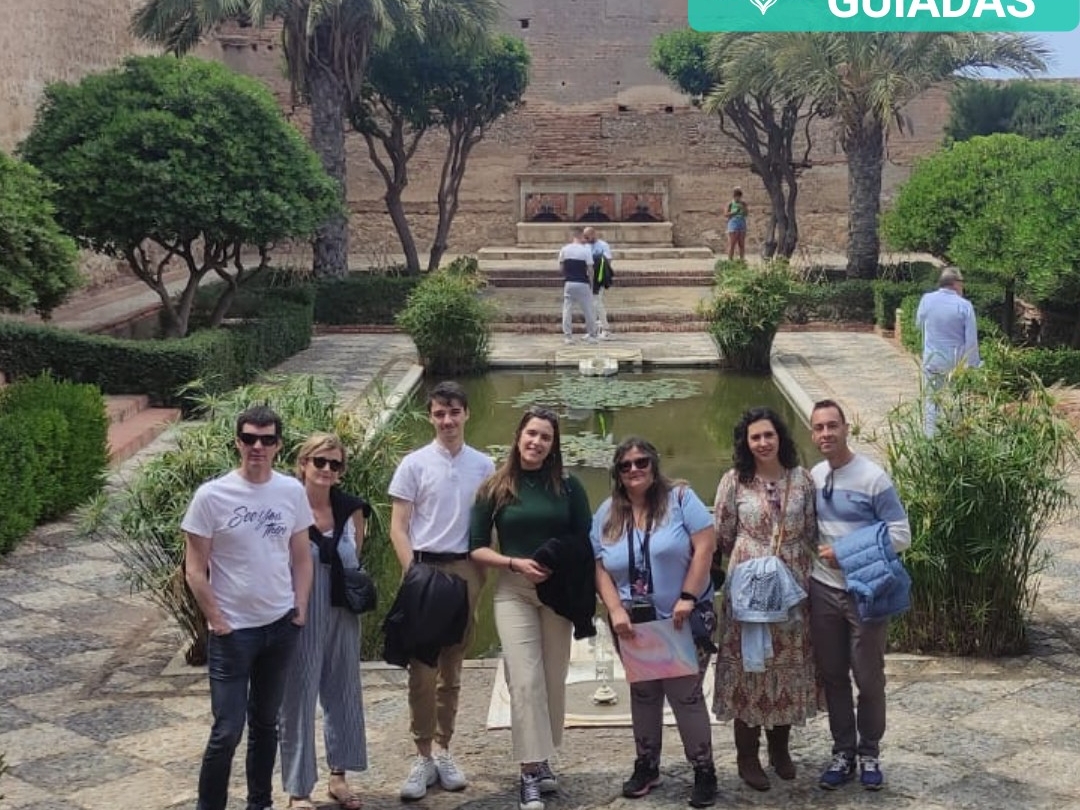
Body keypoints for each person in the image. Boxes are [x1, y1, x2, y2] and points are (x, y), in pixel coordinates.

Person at [181, 405, 314, 810]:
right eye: (250, 438)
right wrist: (217, 620)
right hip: (233, 633)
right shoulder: (211, 496)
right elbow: (194, 570)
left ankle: (261, 803)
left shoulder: (291, 491)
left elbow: (301, 557)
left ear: (278, 445)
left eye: (267, 439)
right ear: (238, 442)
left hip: (280, 625)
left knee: (266, 724)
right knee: (227, 730)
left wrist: (300, 608)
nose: (258, 446)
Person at [469, 406, 593, 810]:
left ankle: (542, 757)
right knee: (524, 680)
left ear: (553, 445)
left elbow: (585, 539)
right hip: (514, 589)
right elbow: (476, 547)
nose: (536, 442)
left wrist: (559, 563)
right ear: (519, 436)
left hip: (558, 592)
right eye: (532, 434)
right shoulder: (495, 487)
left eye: (545, 437)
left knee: (554, 678)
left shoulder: (569, 486)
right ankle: (528, 773)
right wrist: (513, 563)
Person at [592, 438, 718, 808]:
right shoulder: (607, 512)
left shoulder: (680, 499)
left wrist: (688, 596)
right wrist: (614, 608)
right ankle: (647, 764)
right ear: (617, 473)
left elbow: (706, 546)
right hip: (633, 624)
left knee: (686, 695)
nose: (634, 469)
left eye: (641, 462)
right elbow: (598, 565)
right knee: (643, 694)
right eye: (625, 465)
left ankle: (704, 770)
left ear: (654, 464)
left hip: (681, 617)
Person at [388, 381, 496, 801]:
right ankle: (422, 754)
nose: (447, 421)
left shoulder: (484, 466)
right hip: (425, 568)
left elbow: (489, 523)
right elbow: (399, 526)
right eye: (439, 414)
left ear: (466, 413)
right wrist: (412, 572)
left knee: (452, 667)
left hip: (465, 568)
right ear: (430, 417)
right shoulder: (414, 464)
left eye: (453, 412)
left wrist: (484, 572)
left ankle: (444, 748)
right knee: (422, 669)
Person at [712, 407, 819, 792]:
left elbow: (811, 530)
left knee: (786, 664)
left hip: (791, 585)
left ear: (780, 437)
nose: (762, 443)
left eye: (768, 435)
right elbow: (723, 534)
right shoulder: (734, 481)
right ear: (746, 443)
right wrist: (754, 559)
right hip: (749, 587)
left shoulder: (802, 479)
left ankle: (780, 748)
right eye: (755, 437)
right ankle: (747, 755)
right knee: (750, 665)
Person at [808, 399, 911, 792]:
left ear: (846, 428)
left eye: (832, 425)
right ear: (812, 433)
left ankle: (870, 752)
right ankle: (843, 752)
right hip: (823, 591)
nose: (826, 434)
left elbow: (901, 534)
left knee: (868, 679)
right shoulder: (816, 476)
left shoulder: (873, 478)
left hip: (865, 593)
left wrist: (847, 553)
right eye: (819, 427)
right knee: (833, 676)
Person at [279, 433, 370, 810]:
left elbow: (354, 555)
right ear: (303, 464)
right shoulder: (286, 506)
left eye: (335, 464)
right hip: (300, 609)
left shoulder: (351, 509)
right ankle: (298, 790)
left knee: (344, 690)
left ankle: (339, 776)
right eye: (319, 461)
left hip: (341, 609)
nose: (327, 469)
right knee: (297, 696)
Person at [915, 266, 981, 435]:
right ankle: (955, 435)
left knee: (931, 400)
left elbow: (919, 324)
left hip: (933, 359)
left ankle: (930, 437)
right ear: (955, 283)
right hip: (956, 362)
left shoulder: (927, 300)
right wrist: (973, 364)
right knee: (956, 400)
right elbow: (971, 339)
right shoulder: (964, 305)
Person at [559, 228, 598, 345]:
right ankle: (591, 335)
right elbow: (590, 269)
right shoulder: (586, 250)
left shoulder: (564, 249)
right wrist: (591, 283)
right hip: (582, 282)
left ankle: (568, 336)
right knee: (588, 310)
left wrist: (567, 275)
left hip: (569, 282)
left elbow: (561, 267)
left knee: (567, 310)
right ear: (581, 237)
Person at [583, 226, 614, 339]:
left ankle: (605, 329)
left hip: (598, 278)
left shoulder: (603, 245)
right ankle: (593, 330)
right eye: (585, 237)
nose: (586, 239)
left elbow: (608, 260)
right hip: (588, 278)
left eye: (587, 237)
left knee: (597, 303)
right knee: (590, 305)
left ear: (593, 234)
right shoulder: (585, 246)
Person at [724, 187, 749, 261]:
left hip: (741, 222)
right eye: (736, 196)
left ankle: (742, 260)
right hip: (733, 223)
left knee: (741, 244)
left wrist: (743, 208)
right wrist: (734, 212)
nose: (738, 198)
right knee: (732, 244)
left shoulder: (743, 203)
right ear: (734, 196)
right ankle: (730, 260)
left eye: (739, 196)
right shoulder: (730, 204)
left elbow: (746, 213)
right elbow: (725, 214)